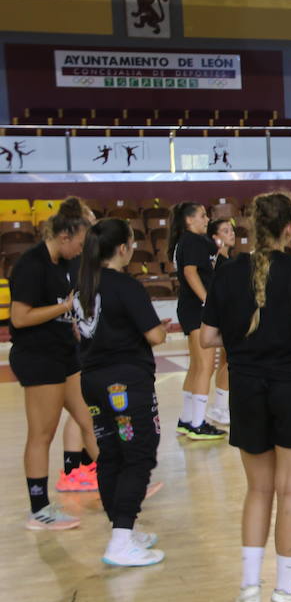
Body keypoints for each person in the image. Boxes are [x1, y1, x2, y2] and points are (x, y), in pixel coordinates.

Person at [201, 191, 291, 602]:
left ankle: (248, 589)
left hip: (247, 389)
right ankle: (285, 590)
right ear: (290, 227)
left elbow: (207, 337)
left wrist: (247, 338)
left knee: (258, 490)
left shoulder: (227, 272)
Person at [74, 218, 170, 566]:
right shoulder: (125, 286)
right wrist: (159, 328)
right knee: (139, 452)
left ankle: (123, 530)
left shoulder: (83, 286)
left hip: (93, 381)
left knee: (111, 454)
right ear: (122, 248)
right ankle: (121, 540)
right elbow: (155, 336)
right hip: (126, 383)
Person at [10, 197, 100, 530]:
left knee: (90, 420)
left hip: (64, 353)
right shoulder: (31, 264)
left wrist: (72, 322)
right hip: (38, 358)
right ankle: (39, 509)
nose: (81, 250)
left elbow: (65, 307)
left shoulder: (64, 263)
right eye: (79, 243)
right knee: (42, 434)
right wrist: (64, 309)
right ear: (65, 236)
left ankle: (120, 486)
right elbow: (19, 318)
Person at [170, 201, 225, 440]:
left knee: (196, 366)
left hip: (190, 308)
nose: (206, 219)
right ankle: (198, 423)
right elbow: (190, 273)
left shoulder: (191, 241)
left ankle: (186, 419)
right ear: (189, 220)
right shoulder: (191, 241)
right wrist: (207, 301)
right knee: (205, 366)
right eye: (202, 215)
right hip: (197, 309)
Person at [206, 218, 237, 425]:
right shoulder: (219, 261)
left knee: (225, 361)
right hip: (225, 314)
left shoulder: (227, 259)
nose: (231, 233)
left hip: (226, 313)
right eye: (225, 231)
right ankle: (221, 406)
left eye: (232, 230)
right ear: (215, 238)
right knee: (228, 361)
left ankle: (220, 405)